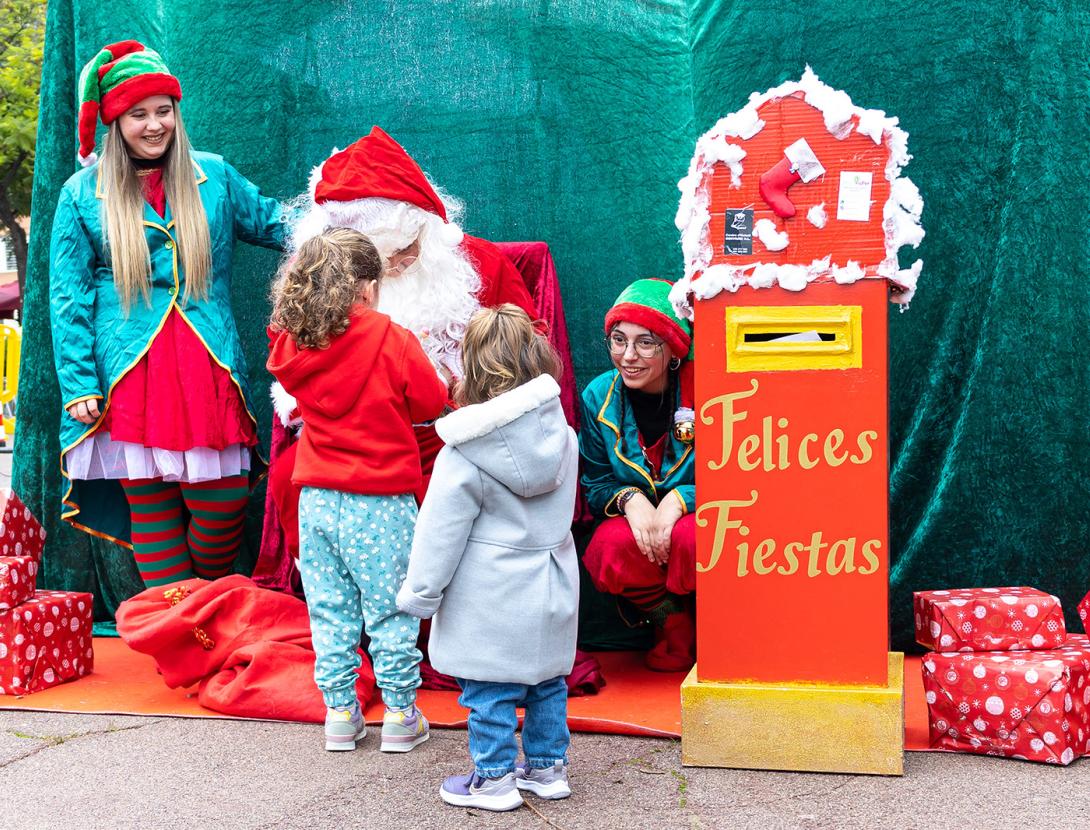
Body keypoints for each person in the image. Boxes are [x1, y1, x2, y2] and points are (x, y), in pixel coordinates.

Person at [50, 41, 286, 586]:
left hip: (207, 361)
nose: (155, 125)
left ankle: (202, 606)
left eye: (165, 110)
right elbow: (68, 293)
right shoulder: (81, 193)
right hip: (130, 368)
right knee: (150, 498)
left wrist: (357, 218)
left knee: (224, 498)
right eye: (139, 114)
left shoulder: (215, 176)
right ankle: (180, 634)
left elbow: (278, 225)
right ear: (115, 122)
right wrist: (79, 384)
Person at [267, 126, 538, 562]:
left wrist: (469, 380)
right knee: (287, 480)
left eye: (407, 248)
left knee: (445, 490)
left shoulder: (476, 262)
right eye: (382, 259)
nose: (398, 265)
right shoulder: (314, 276)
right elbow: (287, 344)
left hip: (447, 432)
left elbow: (523, 342)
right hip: (345, 436)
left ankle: (421, 619)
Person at [267, 228, 447, 754]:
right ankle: (399, 714)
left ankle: (340, 714)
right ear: (366, 288)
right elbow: (430, 404)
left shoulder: (294, 343)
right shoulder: (393, 339)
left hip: (317, 498)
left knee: (329, 607)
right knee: (390, 608)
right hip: (381, 498)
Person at [397, 305, 578, 812]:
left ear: (471, 370)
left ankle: (493, 779)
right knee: (546, 683)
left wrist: (422, 594)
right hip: (550, 581)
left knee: (489, 690)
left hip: (490, 595)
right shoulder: (563, 437)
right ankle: (547, 769)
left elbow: (440, 532)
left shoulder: (464, 453)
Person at [578, 279, 697, 672]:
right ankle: (673, 624)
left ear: (673, 348)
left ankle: (720, 629)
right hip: (641, 526)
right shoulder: (599, 396)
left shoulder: (709, 388)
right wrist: (631, 500)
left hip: (700, 520)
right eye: (618, 340)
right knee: (608, 546)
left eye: (646, 342)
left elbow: (742, 474)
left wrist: (680, 502)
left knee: (690, 537)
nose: (628, 355)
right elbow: (595, 483)